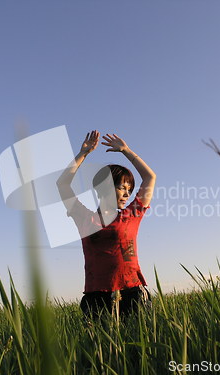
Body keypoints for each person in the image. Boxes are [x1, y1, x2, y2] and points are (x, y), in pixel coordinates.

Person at [56, 130, 156, 320]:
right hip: (96, 296)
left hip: (132, 292)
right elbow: (62, 185)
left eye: (130, 189)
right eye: (121, 187)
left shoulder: (131, 214)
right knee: (100, 349)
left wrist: (126, 151)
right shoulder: (84, 217)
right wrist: (83, 153)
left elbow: (150, 177)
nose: (127, 194)